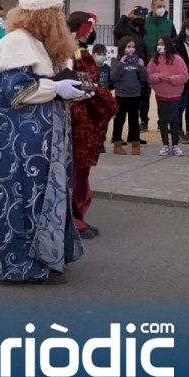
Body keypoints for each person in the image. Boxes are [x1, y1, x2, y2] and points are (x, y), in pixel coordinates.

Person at [0, 0, 86, 283]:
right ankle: (22, 265)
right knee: (26, 197)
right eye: (54, 15)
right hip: (24, 144)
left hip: (46, 142)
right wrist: (57, 89)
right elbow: (16, 91)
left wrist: (71, 88)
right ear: (40, 16)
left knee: (47, 196)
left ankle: (49, 256)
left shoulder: (43, 44)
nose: (59, 21)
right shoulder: (17, 43)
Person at [67, 12, 118, 239]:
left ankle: (77, 215)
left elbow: (88, 83)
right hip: (75, 115)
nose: (90, 32)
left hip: (82, 113)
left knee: (80, 168)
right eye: (87, 28)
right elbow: (83, 83)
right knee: (75, 167)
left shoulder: (80, 52)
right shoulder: (69, 52)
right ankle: (72, 218)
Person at [148, 36, 189, 156]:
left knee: (175, 120)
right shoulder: (154, 60)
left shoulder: (178, 59)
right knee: (163, 120)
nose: (160, 46)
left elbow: (184, 76)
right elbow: (148, 75)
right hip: (160, 95)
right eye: (158, 44)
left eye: (162, 44)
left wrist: (171, 79)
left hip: (175, 95)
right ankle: (165, 145)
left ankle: (175, 145)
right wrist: (157, 77)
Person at [114, 6, 152, 135]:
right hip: (128, 70)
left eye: (142, 16)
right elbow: (116, 31)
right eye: (137, 15)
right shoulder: (126, 29)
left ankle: (134, 135)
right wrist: (126, 16)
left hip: (141, 70)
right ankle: (118, 137)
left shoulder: (145, 33)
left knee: (140, 103)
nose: (139, 18)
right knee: (124, 109)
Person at [110, 37, 148, 155]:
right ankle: (117, 144)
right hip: (121, 95)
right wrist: (121, 63)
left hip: (134, 95)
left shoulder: (137, 61)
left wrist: (142, 67)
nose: (131, 49)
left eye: (133, 47)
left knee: (134, 121)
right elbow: (113, 77)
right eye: (128, 47)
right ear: (123, 48)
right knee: (119, 120)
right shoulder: (116, 61)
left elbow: (144, 78)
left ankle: (135, 144)